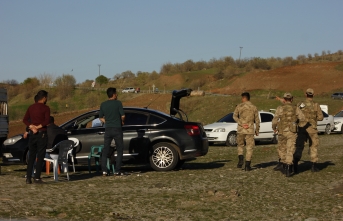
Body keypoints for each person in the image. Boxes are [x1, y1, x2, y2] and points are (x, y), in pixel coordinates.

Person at [272, 93, 305, 177]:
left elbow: (275, 119)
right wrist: (297, 125)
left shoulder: (280, 108)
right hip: (292, 132)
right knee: (290, 149)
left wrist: (274, 127)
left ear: (284, 99)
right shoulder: (295, 108)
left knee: (281, 148)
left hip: (282, 131)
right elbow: (303, 118)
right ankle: (288, 168)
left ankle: (283, 164)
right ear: (292, 99)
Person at [23, 90, 50, 184]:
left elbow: (25, 119)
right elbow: (47, 121)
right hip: (41, 133)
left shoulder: (31, 107)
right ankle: (37, 177)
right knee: (40, 155)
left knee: (32, 156)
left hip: (32, 134)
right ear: (44, 98)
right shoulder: (46, 108)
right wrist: (38, 127)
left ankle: (28, 177)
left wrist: (31, 127)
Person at [293, 88, 323, 173]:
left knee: (299, 147)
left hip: (301, 128)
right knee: (313, 146)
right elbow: (320, 117)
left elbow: (295, 115)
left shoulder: (300, 104)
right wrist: (314, 118)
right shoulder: (316, 105)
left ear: (306, 94)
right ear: (313, 95)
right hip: (312, 129)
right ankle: (314, 165)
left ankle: (295, 163)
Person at [99, 87, 125, 176]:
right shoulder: (118, 103)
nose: (117, 95)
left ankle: (104, 170)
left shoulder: (103, 104)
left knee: (106, 149)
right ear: (113, 94)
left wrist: (107, 121)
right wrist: (122, 121)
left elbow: (100, 117)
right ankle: (117, 170)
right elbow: (123, 116)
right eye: (116, 93)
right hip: (117, 128)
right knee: (119, 149)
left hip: (108, 129)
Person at [233, 92, 260, 171]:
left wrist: (241, 123)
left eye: (242, 98)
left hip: (241, 129)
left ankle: (240, 158)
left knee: (240, 145)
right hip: (250, 130)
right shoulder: (254, 107)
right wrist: (257, 130)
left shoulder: (239, 106)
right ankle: (247, 165)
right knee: (249, 147)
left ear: (244, 98)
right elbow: (257, 120)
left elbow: (234, 116)